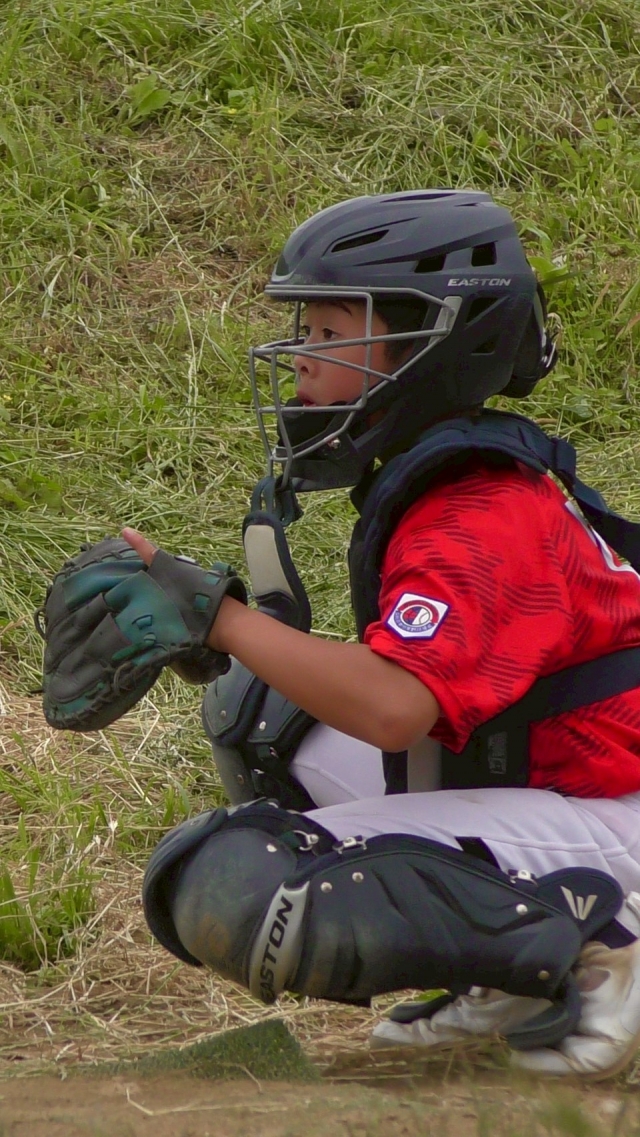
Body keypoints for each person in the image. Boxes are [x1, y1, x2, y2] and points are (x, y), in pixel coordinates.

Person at [132, 190, 640, 1080]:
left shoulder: (480, 509)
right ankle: (515, 973)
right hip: (580, 784)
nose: (302, 359)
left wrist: (223, 618)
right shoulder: (450, 478)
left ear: (433, 345)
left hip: (620, 810)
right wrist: (220, 636)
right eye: (307, 331)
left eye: (332, 332)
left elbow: (395, 708)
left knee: (253, 880)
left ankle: (608, 946)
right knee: (266, 717)